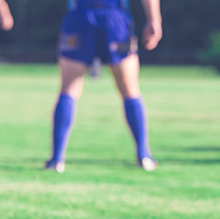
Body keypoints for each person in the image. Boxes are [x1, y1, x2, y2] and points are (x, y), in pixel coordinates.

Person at [44, 0, 162, 173]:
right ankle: (144, 155)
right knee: (129, 88)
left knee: (69, 87)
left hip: (80, 17)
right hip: (115, 19)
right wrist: (154, 20)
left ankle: (56, 159)